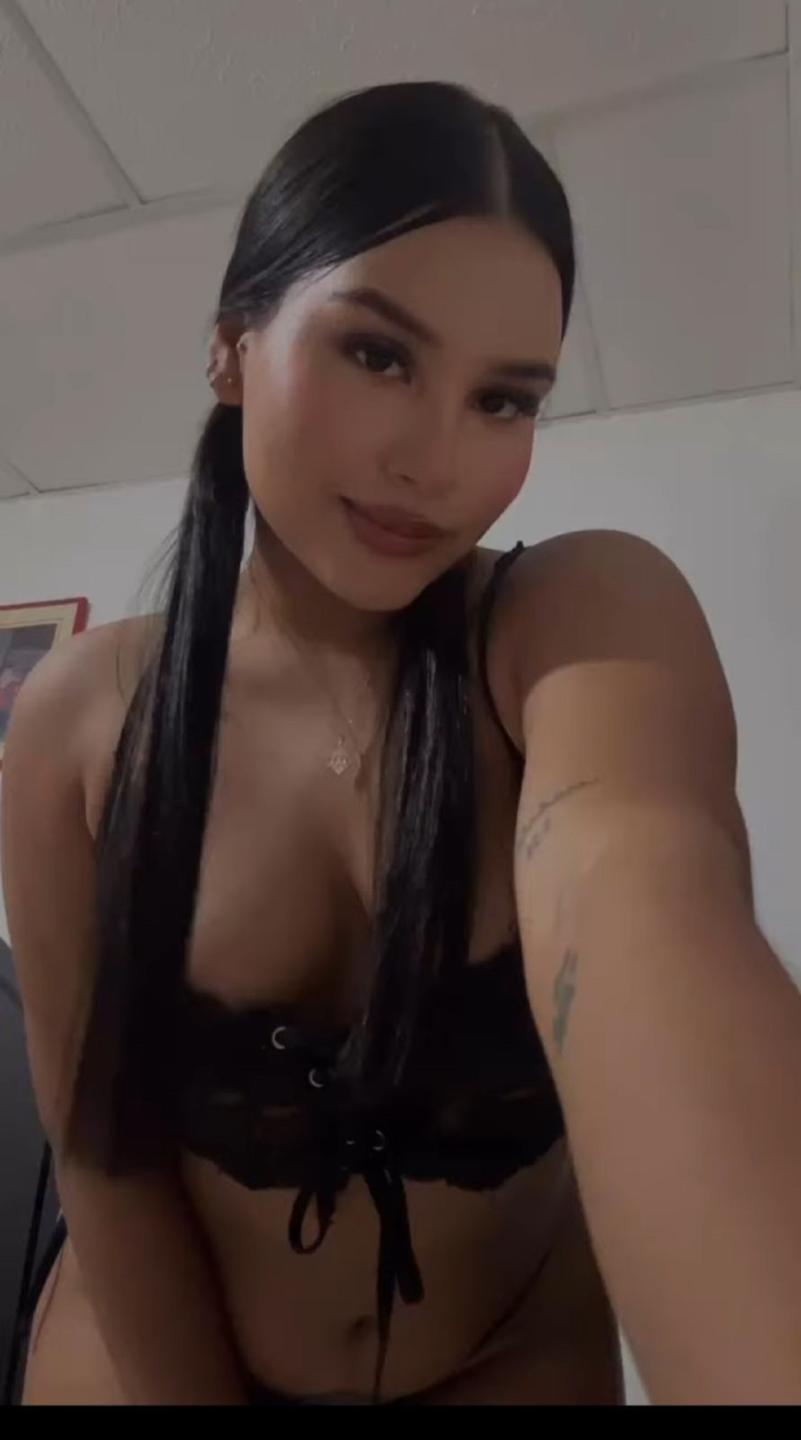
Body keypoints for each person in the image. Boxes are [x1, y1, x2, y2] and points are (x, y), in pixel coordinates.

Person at [2, 81, 800, 1408]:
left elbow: (642, 881)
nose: (437, 459)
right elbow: (104, 1156)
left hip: (508, 1358)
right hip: (151, 1349)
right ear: (230, 347)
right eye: (379, 355)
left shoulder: (575, 619)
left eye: (504, 400)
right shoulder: (82, 725)